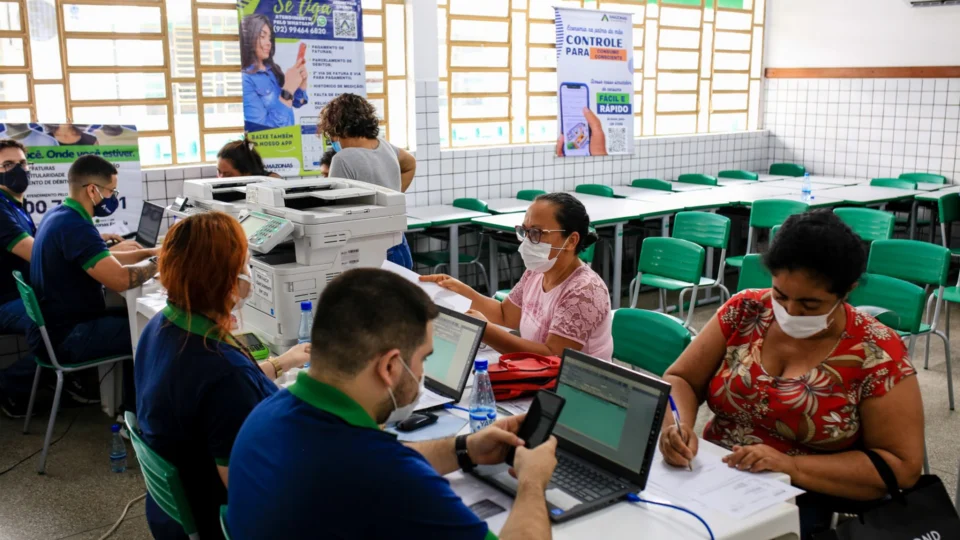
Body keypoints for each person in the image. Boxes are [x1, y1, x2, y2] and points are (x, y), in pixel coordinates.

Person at [227, 268, 558, 539]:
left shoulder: (264, 416)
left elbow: (386, 458)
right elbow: (386, 469)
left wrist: (465, 448)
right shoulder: (389, 478)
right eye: (423, 359)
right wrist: (532, 481)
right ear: (389, 367)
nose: (423, 373)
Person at [658, 211, 923, 539]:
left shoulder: (876, 352)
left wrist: (791, 465)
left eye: (810, 305)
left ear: (847, 291)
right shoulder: (746, 311)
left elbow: (901, 466)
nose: (791, 312)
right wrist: (677, 425)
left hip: (809, 494)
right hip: (715, 474)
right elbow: (682, 379)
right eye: (780, 296)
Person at [135, 212, 309, 539]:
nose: (249, 272)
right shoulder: (225, 374)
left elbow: (207, 394)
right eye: (245, 264)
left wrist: (282, 363)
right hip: (217, 517)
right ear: (224, 279)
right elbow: (248, 487)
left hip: (173, 509)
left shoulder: (164, 324)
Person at [29, 154, 159, 407]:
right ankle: (134, 413)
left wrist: (149, 253)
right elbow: (121, 280)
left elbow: (102, 257)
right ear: (92, 190)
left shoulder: (59, 215)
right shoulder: (75, 226)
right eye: (111, 191)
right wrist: (161, 262)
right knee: (151, 332)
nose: (113, 197)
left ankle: (127, 407)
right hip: (69, 337)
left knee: (135, 319)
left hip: (53, 330)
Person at [422, 192, 613, 360]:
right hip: (536, 374)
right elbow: (505, 315)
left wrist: (486, 331)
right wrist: (459, 290)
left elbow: (553, 357)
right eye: (525, 232)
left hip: (572, 384)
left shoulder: (584, 291)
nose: (527, 241)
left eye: (537, 233)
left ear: (571, 241)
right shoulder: (537, 272)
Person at [319, 93, 417, 268]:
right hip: (399, 243)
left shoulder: (342, 158)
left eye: (331, 135)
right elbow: (410, 163)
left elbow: (336, 213)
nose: (332, 140)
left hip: (370, 249)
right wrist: (393, 197)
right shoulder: (385, 146)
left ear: (339, 128)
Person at [240, 14, 307, 130]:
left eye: (269, 38)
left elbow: (297, 102)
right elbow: (262, 130)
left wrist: (301, 84)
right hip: (274, 141)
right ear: (249, 39)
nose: (269, 43)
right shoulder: (246, 79)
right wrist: (287, 91)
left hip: (291, 138)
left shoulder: (274, 70)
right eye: (262, 36)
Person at [216, 138, 280, 178]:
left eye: (228, 175)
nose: (220, 178)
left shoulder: (271, 182)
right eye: (219, 172)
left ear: (246, 173)